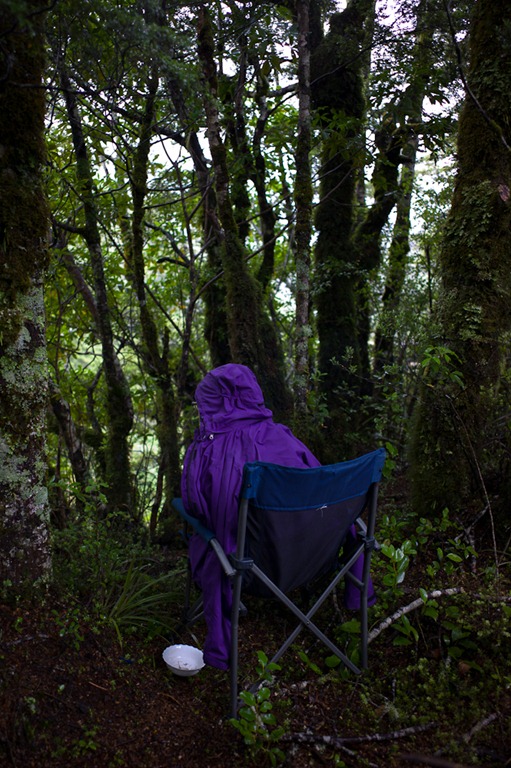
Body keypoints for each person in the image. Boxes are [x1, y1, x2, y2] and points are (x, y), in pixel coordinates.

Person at [181, 363, 374, 670]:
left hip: (249, 570)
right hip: (312, 558)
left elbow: (195, 508)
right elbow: (321, 490)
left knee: (207, 535)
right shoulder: (284, 438)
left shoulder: (207, 450)